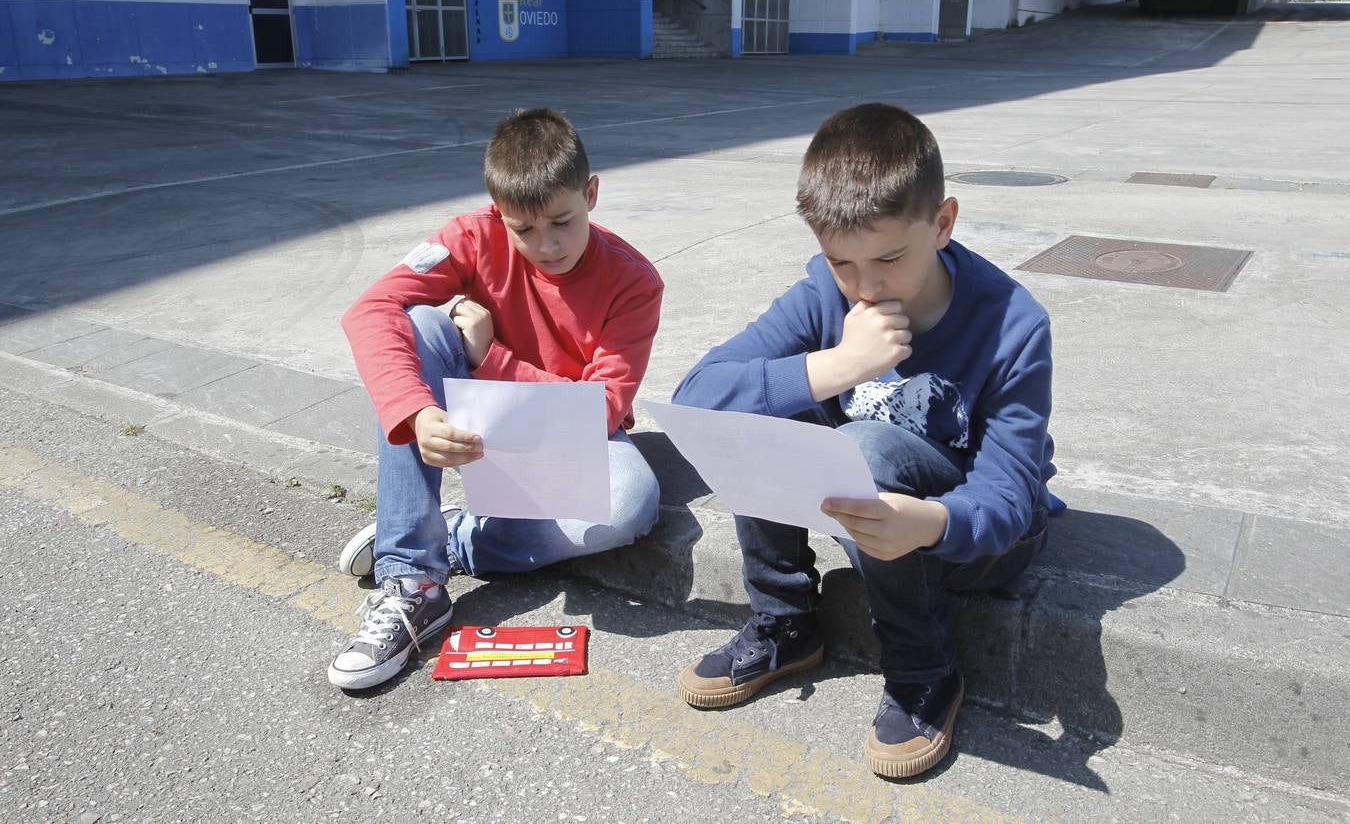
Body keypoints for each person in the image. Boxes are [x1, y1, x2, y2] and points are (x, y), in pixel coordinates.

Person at [671, 103, 1058, 778]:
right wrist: (838, 365)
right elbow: (698, 394)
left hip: (973, 539)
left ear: (942, 224)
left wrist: (929, 524)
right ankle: (785, 621)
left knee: (869, 447)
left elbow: (1009, 499)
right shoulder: (828, 292)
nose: (866, 287)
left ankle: (924, 668)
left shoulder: (1011, 323)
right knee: (762, 411)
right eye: (842, 263)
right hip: (873, 515)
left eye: (888, 259)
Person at [328, 108, 664, 690]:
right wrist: (416, 411)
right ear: (496, 211)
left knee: (631, 501)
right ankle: (413, 579)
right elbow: (369, 310)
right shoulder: (470, 235)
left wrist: (491, 358)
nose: (547, 245)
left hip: (570, 431)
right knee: (421, 327)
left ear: (591, 193)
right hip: (479, 424)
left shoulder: (634, 281)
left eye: (562, 221)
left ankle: (450, 535)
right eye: (523, 229)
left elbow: (600, 409)